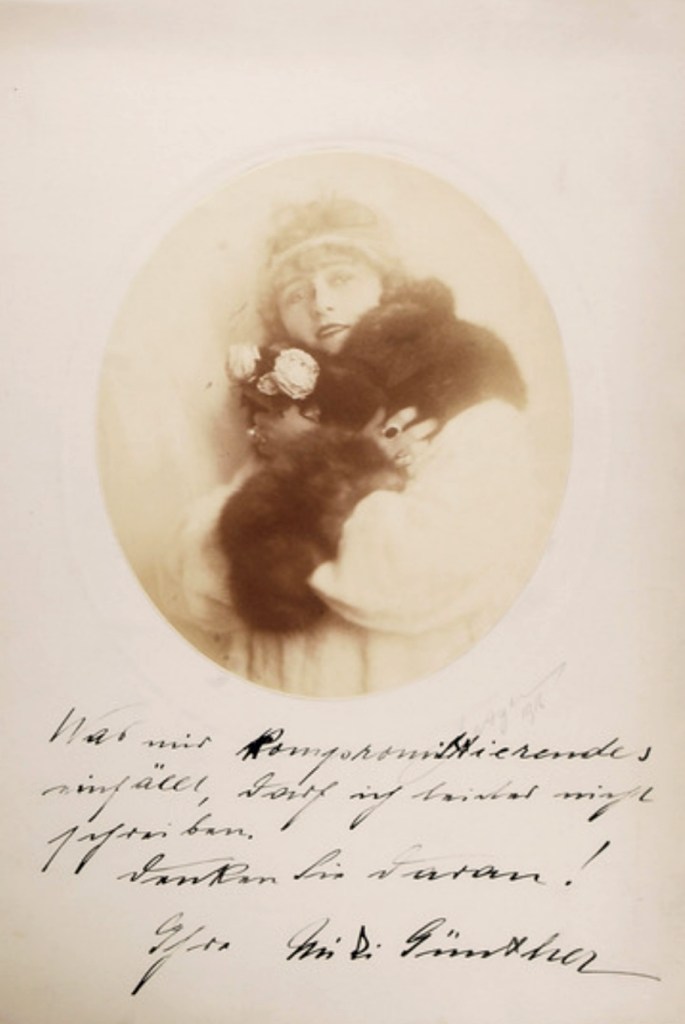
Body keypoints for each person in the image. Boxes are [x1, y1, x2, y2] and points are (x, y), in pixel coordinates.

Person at [156, 197, 546, 697]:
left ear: (388, 288)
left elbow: (416, 572)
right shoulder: (294, 424)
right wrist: (322, 459)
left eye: (341, 278)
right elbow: (188, 586)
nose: (320, 303)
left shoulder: (470, 408)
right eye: (296, 294)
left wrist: (314, 470)